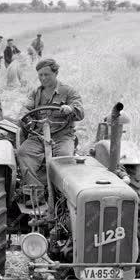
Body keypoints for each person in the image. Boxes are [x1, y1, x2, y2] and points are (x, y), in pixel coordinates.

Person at [16, 58, 84, 203]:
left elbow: (80, 111)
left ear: (55, 73)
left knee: (64, 157)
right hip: (38, 135)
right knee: (23, 152)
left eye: (47, 74)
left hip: (62, 136)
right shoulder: (36, 93)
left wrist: (70, 109)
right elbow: (26, 108)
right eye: (40, 75)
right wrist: (23, 116)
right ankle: (37, 193)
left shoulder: (68, 91)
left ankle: (63, 197)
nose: (43, 78)